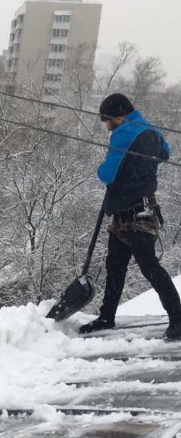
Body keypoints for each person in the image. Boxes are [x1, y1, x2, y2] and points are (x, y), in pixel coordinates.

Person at [79, 93, 181, 340]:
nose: (106, 126)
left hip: (134, 214)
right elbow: (164, 154)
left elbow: (107, 174)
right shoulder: (152, 131)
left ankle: (178, 318)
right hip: (138, 210)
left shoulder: (124, 133)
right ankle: (107, 317)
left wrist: (105, 167)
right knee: (115, 265)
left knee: (148, 266)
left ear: (118, 115)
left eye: (107, 121)